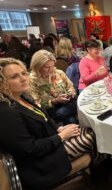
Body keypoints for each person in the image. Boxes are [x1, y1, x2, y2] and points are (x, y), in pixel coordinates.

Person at [0, 58, 97, 190]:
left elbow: (44, 119)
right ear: (1, 83)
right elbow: (29, 149)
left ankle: (100, 173)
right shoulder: (5, 112)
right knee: (94, 137)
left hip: (50, 144)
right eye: (14, 77)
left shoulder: (21, 97)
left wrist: (59, 128)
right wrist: (61, 136)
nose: (23, 78)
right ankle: (102, 176)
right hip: (40, 162)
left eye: (23, 73)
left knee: (90, 129)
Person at [30, 50, 78, 125]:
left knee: (67, 115)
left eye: (52, 66)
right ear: (37, 66)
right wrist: (54, 101)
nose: (51, 69)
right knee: (68, 118)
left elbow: (70, 87)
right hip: (51, 108)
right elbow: (36, 103)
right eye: (47, 67)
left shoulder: (59, 72)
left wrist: (70, 93)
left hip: (68, 103)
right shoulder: (32, 80)